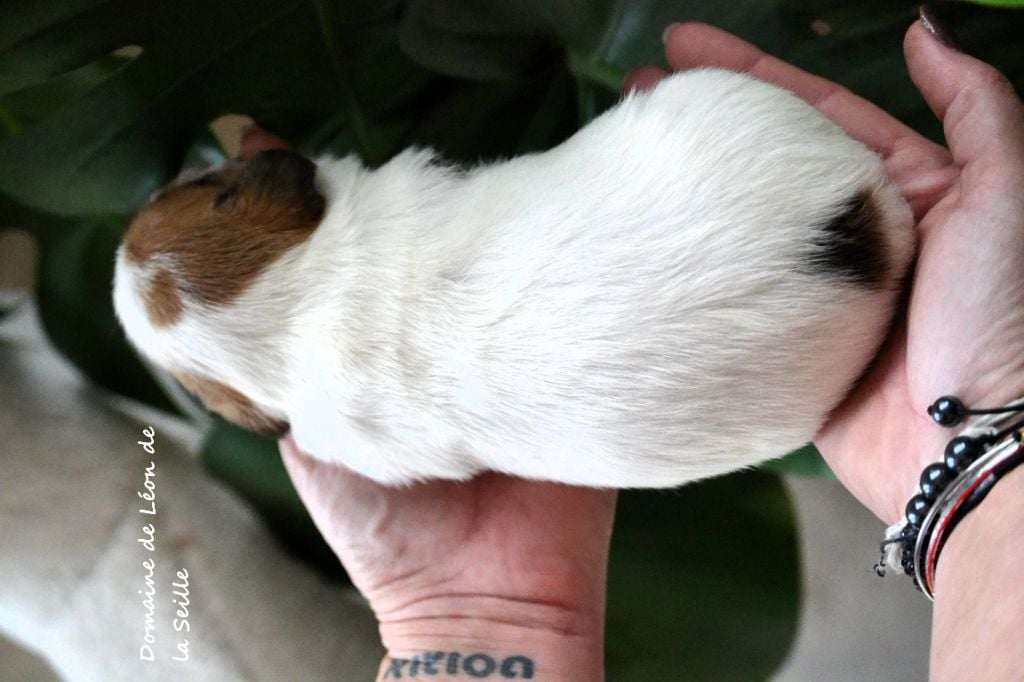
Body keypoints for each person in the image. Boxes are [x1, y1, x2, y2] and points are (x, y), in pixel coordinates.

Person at [268, 10, 1024, 680]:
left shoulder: (358, 439)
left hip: (796, 387)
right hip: (777, 184)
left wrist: (468, 620)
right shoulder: (391, 232)